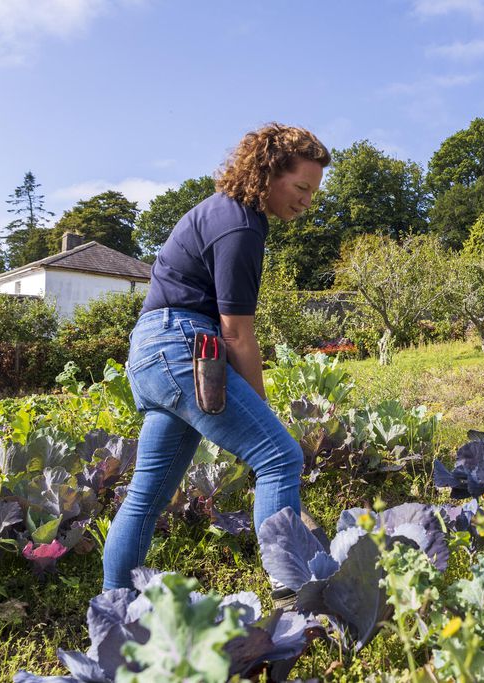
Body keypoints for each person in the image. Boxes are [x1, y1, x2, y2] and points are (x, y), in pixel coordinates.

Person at [102, 123, 331, 594]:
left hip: (151, 352)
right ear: (269, 173)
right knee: (279, 455)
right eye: (301, 187)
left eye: (314, 191)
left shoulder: (220, 211)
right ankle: (293, 593)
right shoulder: (241, 225)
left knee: (147, 496)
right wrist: (262, 413)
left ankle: (114, 607)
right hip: (183, 348)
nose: (308, 201)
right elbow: (236, 333)